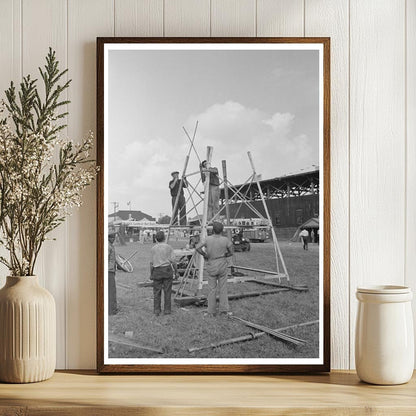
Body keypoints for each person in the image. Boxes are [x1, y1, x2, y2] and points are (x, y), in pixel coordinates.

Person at [195, 222, 233, 317]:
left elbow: (197, 247)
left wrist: (204, 254)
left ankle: (211, 311)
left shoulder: (207, 239)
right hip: (222, 264)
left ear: (213, 230)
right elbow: (231, 251)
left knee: (212, 289)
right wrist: (226, 254)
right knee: (223, 288)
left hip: (211, 264)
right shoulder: (225, 240)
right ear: (222, 230)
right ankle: (224, 310)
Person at [150, 231, 178, 316]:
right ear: (164, 238)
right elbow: (173, 262)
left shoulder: (153, 248)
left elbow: (151, 263)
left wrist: (151, 274)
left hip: (157, 271)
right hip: (167, 270)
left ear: (156, 239)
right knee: (167, 291)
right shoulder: (169, 247)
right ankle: (167, 310)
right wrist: (176, 272)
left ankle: (157, 310)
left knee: (156, 292)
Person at [108, 232, 118, 315]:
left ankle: (112, 308)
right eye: (112, 238)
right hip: (108, 271)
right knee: (111, 291)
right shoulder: (108, 246)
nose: (113, 239)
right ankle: (111, 310)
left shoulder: (111, 245)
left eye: (114, 238)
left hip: (111, 270)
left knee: (112, 290)